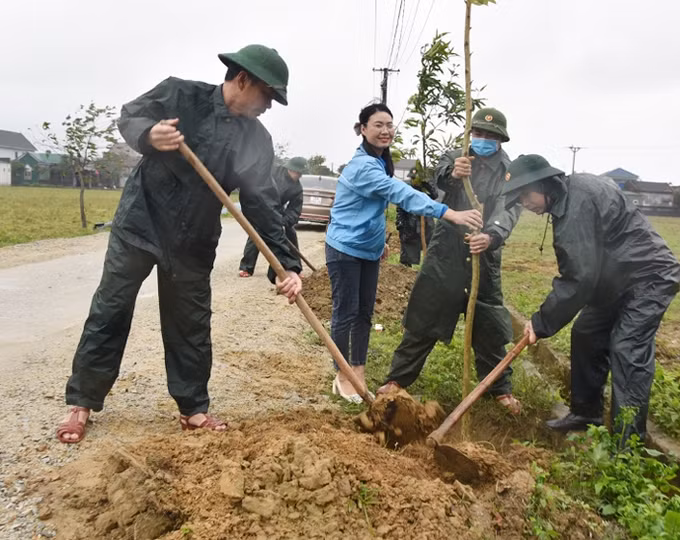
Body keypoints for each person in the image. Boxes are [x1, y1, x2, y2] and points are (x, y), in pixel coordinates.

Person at [56, 44, 303, 443]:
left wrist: (286, 264)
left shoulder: (257, 140)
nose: (269, 107)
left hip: (193, 240)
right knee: (111, 310)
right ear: (242, 79)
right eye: (268, 96)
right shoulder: (180, 96)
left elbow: (261, 203)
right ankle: (81, 402)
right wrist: (149, 134)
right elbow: (131, 116)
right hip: (141, 224)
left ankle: (193, 410)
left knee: (190, 324)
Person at [502, 154, 680, 440]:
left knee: (627, 348)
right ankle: (587, 413)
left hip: (648, 277)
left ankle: (629, 442)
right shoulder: (567, 197)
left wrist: (541, 322)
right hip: (615, 279)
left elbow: (579, 278)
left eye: (525, 195)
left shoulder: (577, 205)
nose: (525, 204)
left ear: (543, 184)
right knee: (586, 333)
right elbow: (587, 272)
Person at [326, 103, 483, 403]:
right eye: (377, 125)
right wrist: (448, 212)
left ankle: (357, 370)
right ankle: (342, 374)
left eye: (389, 125)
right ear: (362, 129)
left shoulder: (382, 159)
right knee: (345, 313)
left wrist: (378, 243)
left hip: (367, 250)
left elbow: (371, 209)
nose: (385, 131)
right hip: (344, 249)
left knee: (364, 313)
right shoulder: (362, 166)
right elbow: (398, 193)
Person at [378, 107, 523, 414]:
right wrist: (454, 174)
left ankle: (499, 388)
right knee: (424, 316)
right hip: (446, 251)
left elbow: (509, 209)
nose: (482, 140)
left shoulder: (509, 171)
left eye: (490, 136)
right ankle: (397, 379)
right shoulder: (456, 157)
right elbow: (440, 182)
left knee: (489, 325)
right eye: (478, 134)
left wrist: (492, 235)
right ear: (471, 135)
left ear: (501, 140)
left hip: (483, 254)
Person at [239, 156, 307, 278]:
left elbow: (294, 210)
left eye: (299, 173)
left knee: (290, 233)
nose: (296, 175)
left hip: (277, 210)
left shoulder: (297, 189)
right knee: (257, 234)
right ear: (289, 168)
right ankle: (246, 267)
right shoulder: (273, 171)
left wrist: (284, 221)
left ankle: (295, 267)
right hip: (261, 204)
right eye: (294, 171)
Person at [395, 168, 438, 267]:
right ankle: (406, 267)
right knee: (408, 249)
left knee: (430, 247)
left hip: (426, 223)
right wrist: (400, 224)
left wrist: (426, 184)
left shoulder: (424, 191)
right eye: (412, 178)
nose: (414, 180)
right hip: (410, 223)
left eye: (416, 178)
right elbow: (400, 209)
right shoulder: (406, 189)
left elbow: (435, 195)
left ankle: (428, 268)